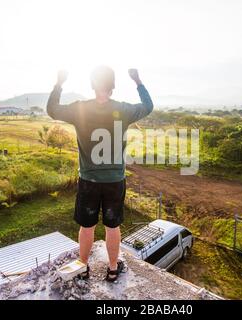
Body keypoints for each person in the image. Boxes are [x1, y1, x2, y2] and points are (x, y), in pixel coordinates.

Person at [47, 66, 153, 282]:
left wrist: (59, 83)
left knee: (87, 227)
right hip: (115, 181)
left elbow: (52, 109)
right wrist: (138, 81)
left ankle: (83, 267)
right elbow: (148, 106)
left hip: (89, 180)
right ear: (112, 86)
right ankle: (113, 269)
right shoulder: (123, 109)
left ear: (93, 85)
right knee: (112, 227)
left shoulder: (80, 109)